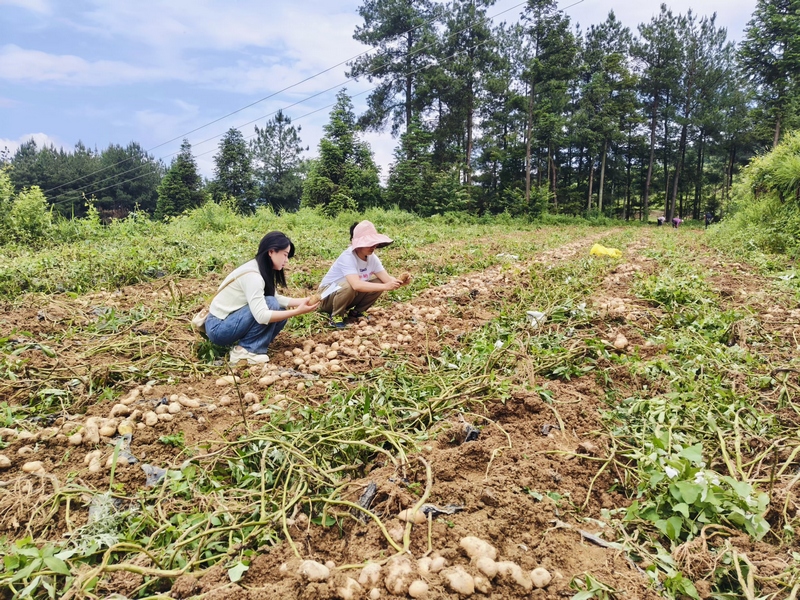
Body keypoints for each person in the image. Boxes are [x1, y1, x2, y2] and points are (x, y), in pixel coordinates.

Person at [204, 231, 319, 364]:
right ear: (271, 252)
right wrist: (297, 311)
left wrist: (304, 301)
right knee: (271, 304)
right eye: (285, 255)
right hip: (218, 328)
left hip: (230, 321)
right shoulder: (254, 277)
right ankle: (244, 350)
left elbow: (276, 298)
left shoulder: (260, 268)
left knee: (279, 310)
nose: (286, 260)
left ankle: (251, 345)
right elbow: (262, 316)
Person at [318, 220, 409, 328]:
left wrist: (400, 282)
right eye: (368, 243)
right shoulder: (348, 257)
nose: (373, 246)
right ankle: (336, 317)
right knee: (349, 285)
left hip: (347, 296)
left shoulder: (372, 258)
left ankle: (357, 312)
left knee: (379, 282)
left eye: (374, 243)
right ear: (359, 244)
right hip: (326, 298)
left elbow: (387, 280)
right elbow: (356, 285)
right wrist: (386, 286)